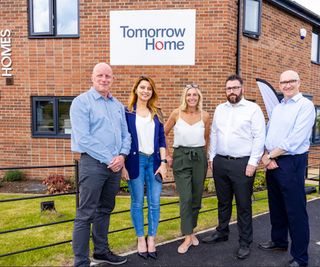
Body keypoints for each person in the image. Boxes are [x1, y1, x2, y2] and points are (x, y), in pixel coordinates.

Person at [70, 63, 131, 267]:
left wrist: (122, 156)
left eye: (108, 76)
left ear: (112, 79)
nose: (104, 79)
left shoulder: (117, 106)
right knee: (85, 214)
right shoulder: (81, 102)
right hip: (93, 165)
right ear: (92, 77)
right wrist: (111, 159)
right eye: (100, 75)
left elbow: (126, 134)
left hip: (114, 166)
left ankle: (101, 251)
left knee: (105, 209)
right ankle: (80, 262)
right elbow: (83, 138)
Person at [203, 74, 265, 260]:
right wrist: (212, 157)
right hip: (220, 162)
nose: (232, 91)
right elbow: (214, 133)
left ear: (242, 89)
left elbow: (259, 137)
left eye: (235, 88)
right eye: (228, 88)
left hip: (242, 164)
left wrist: (253, 163)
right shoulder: (220, 109)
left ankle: (245, 242)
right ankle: (222, 232)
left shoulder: (253, 109)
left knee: (243, 205)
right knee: (223, 201)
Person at [258, 70, 315, 267]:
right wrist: (268, 155)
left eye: (291, 81)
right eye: (283, 82)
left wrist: (270, 155)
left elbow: (295, 140)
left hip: (291, 162)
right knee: (276, 206)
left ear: (299, 82)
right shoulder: (279, 107)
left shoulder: (305, 106)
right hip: (272, 160)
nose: (287, 85)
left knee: (295, 211)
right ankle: (279, 241)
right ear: (279, 85)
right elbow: (269, 133)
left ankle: (300, 258)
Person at [121, 76, 167, 260]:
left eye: (149, 88)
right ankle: (141, 238)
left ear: (152, 92)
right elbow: (122, 140)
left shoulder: (157, 113)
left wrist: (163, 163)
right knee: (138, 202)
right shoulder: (127, 113)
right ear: (136, 90)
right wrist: (123, 164)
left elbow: (162, 140)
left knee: (155, 203)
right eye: (142, 87)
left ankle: (152, 239)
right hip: (135, 161)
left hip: (155, 163)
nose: (146, 91)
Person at [164, 84, 210, 254]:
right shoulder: (176, 113)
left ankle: (191, 231)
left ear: (199, 97)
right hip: (181, 157)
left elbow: (206, 139)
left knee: (197, 198)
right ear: (185, 97)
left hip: (199, 158)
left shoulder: (205, 116)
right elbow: (163, 133)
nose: (192, 97)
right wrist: (167, 155)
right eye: (189, 95)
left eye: (195, 95)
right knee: (186, 198)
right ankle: (187, 236)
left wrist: (207, 159)